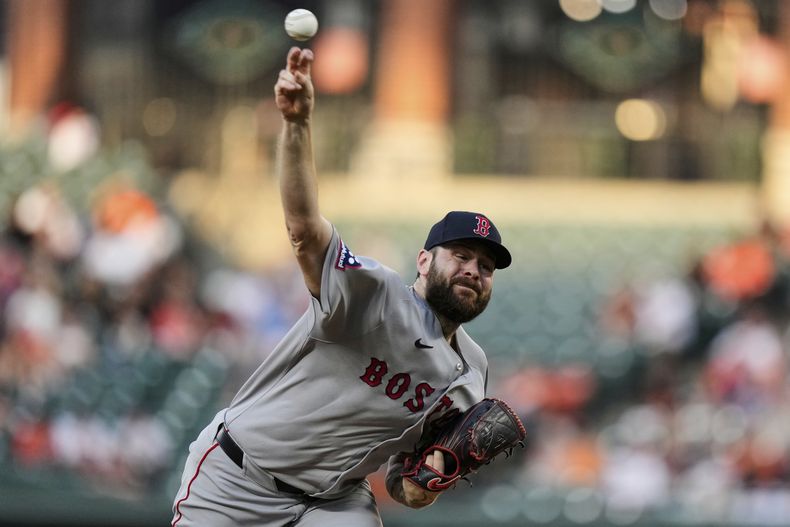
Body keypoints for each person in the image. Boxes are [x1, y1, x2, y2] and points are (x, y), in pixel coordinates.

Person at [170, 47, 513, 527]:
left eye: (486, 266)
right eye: (460, 256)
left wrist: (427, 481)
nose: (474, 270)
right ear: (423, 260)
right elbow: (304, 229)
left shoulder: (470, 373)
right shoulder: (371, 295)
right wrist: (296, 125)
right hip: (238, 479)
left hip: (334, 502)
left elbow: (405, 487)